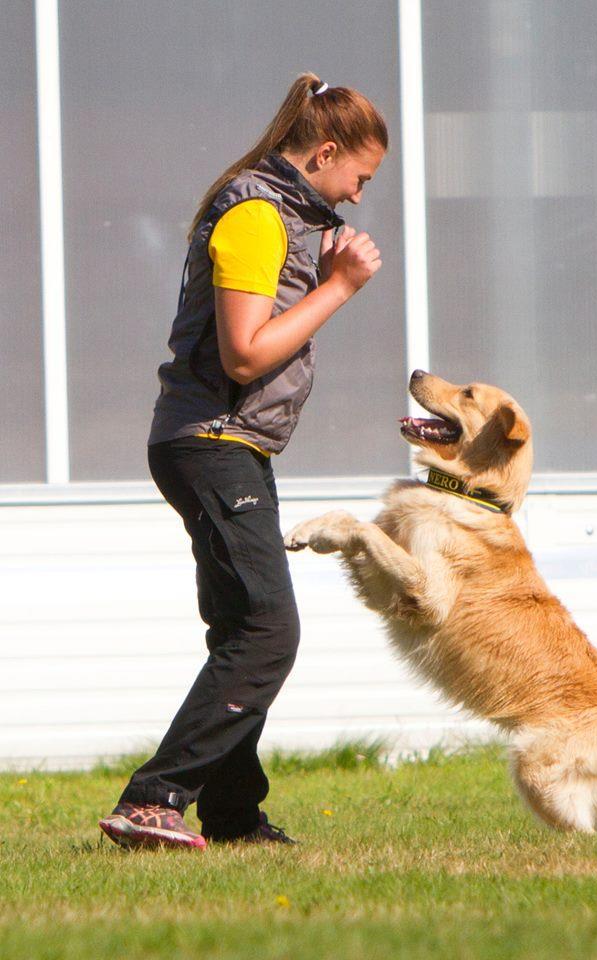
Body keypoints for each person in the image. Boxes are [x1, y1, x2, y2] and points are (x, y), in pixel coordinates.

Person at [98, 73, 386, 849]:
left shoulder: (277, 211)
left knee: (239, 627)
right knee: (267, 629)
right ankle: (155, 797)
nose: (359, 196)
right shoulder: (259, 215)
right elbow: (247, 352)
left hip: (226, 443)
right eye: (359, 177)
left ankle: (231, 816)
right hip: (212, 441)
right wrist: (340, 286)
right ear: (324, 152)